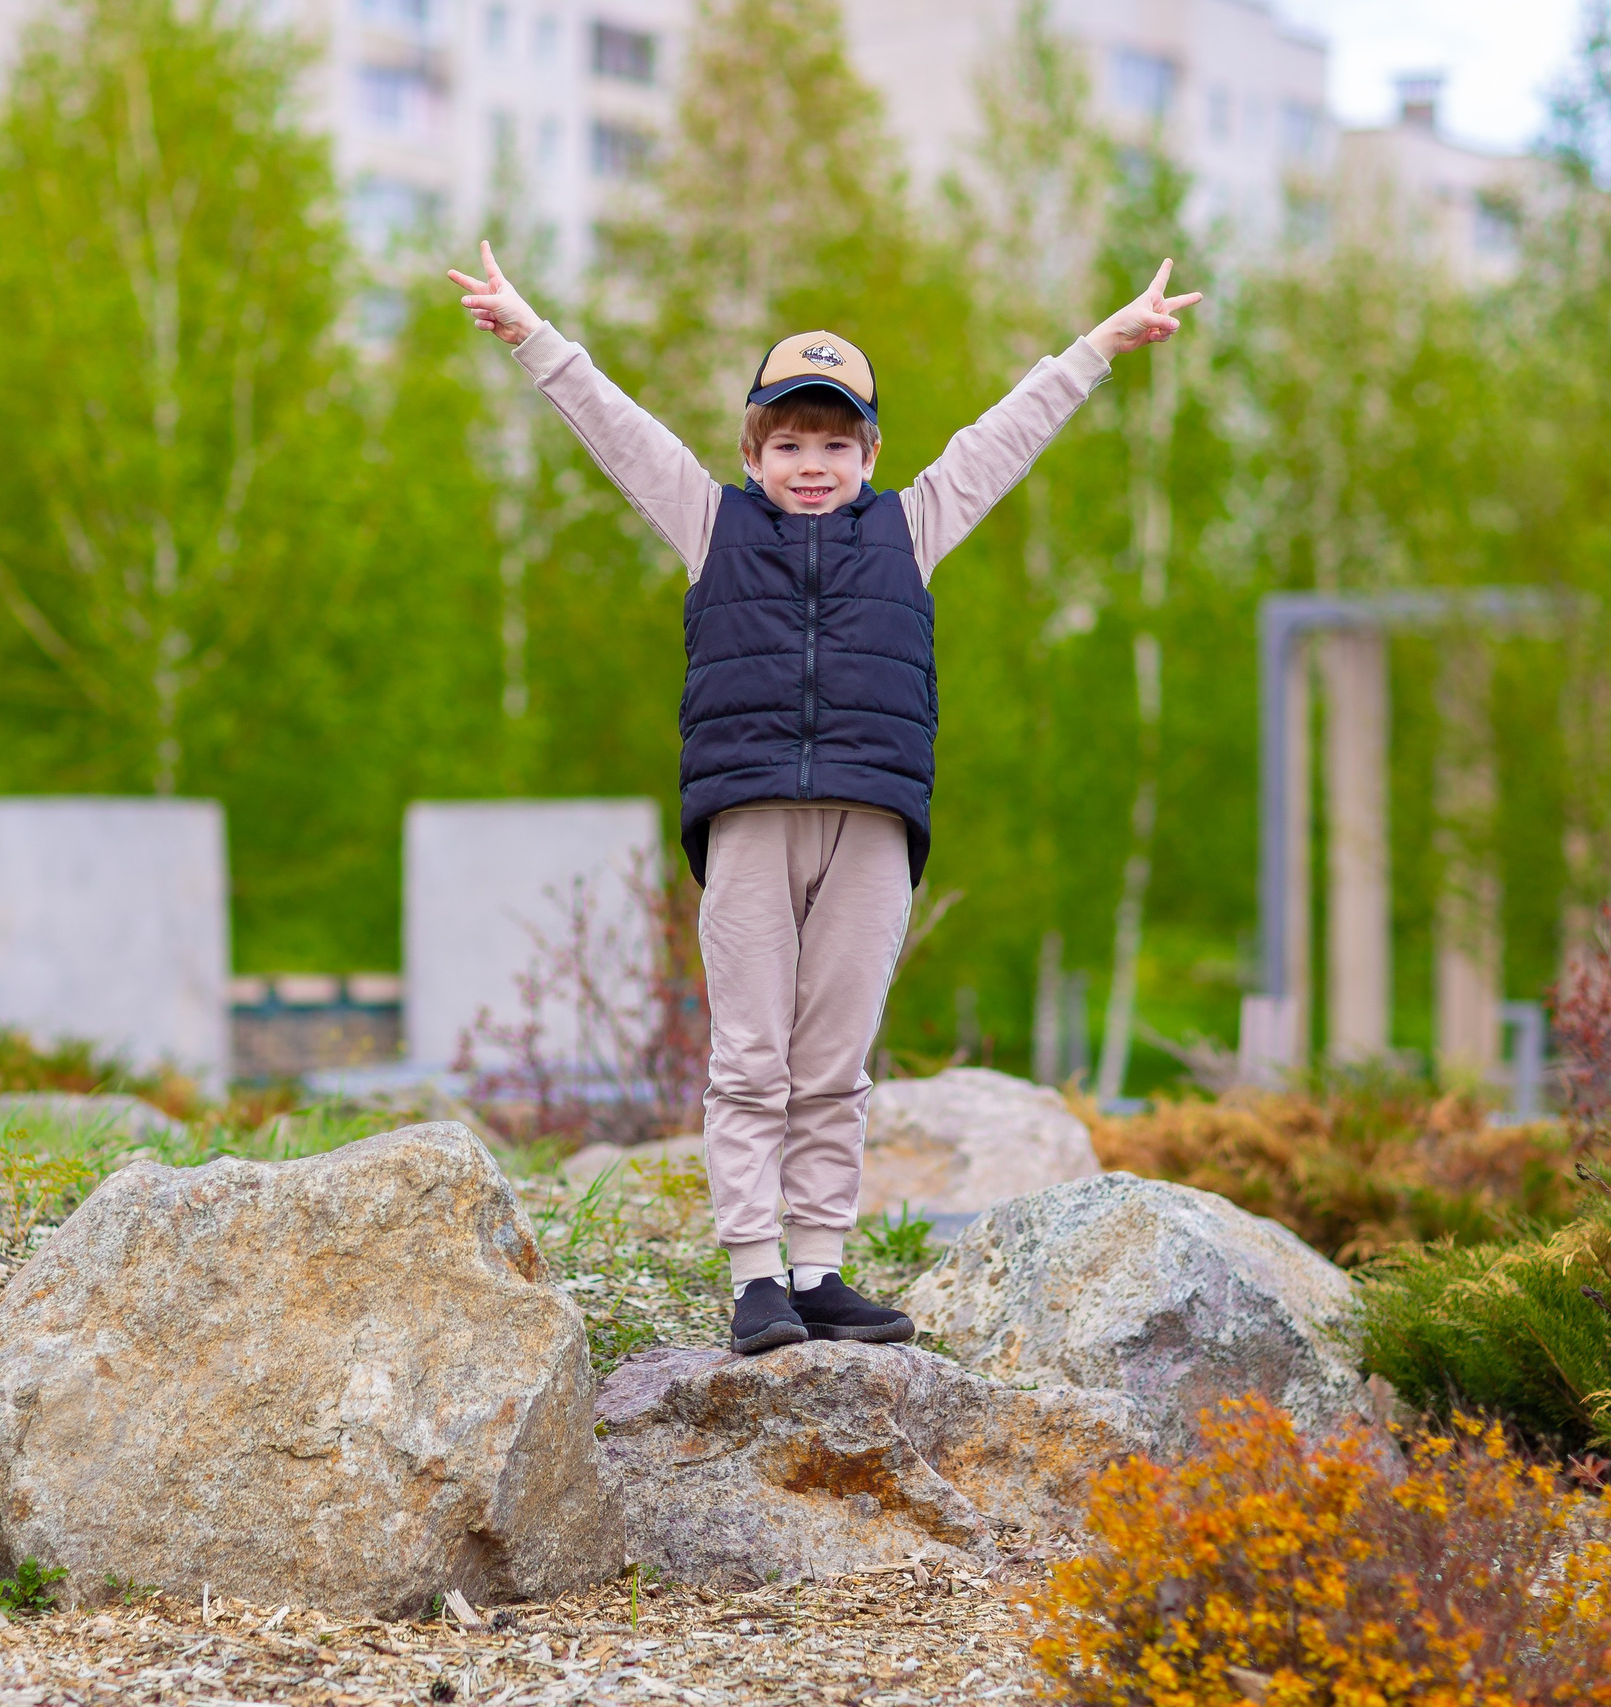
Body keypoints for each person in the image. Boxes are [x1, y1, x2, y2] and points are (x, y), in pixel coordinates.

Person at [448, 241, 1202, 1355]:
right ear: (754, 451)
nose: (812, 463)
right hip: (750, 817)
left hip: (873, 824)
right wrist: (532, 336)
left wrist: (1099, 346)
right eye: (790, 442)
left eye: (835, 444)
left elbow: (1003, 436)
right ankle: (756, 1280)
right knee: (752, 1059)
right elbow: (618, 429)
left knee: (835, 1064)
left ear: (870, 452)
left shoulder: (915, 525)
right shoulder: (711, 525)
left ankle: (818, 1269)